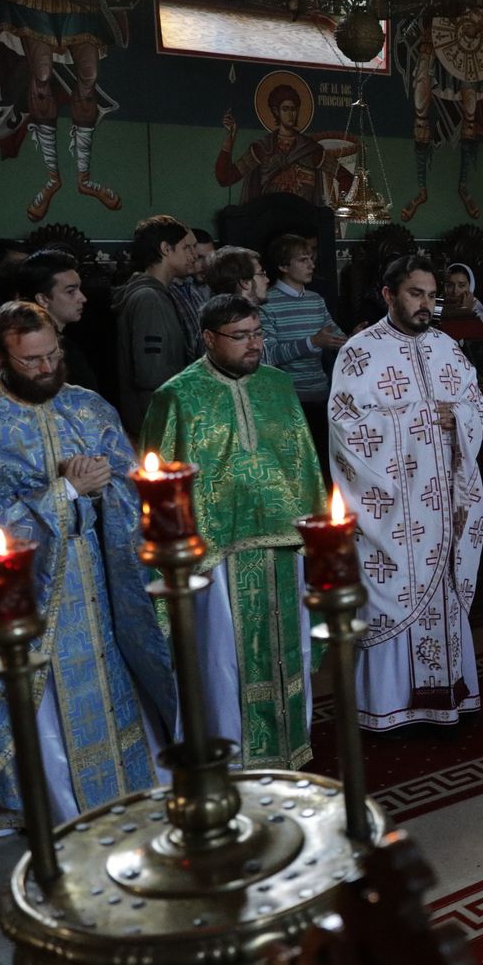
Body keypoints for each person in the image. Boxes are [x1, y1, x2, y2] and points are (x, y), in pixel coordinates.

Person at [0, 302, 176, 834]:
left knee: (118, 675)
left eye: (53, 355)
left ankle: (134, 790)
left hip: (102, 575)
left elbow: (132, 481)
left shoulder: (90, 408)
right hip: (36, 596)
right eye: (31, 362)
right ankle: (62, 810)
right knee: (49, 703)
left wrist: (121, 484)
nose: (47, 369)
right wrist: (65, 490)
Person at [142, 294, 324, 769]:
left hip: (284, 546)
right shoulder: (177, 396)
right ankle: (229, 758)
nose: (254, 345)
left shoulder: (279, 387)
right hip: (215, 557)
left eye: (258, 334)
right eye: (241, 336)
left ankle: (289, 747)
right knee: (222, 663)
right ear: (208, 338)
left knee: (293, 653)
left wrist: (319, 535)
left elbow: (303, 467)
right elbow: (159, 487)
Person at [330, 255, 483, 730]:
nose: (426, 305)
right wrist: (418, 419)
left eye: (431, 295)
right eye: (416, 294)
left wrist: (456, 417)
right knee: (392, 591)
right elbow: (345, 426)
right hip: (393, 508)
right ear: (389, 294)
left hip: (445, 501)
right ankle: (388, 707)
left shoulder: (446, 346)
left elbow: (473, 402)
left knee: (444, 593)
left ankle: (449, 699)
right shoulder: (360, 352)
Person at [261, 234, 347, 458]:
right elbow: (268, 354)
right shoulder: (267, 303)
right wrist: (312, 342)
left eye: (311, 258)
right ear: (283, 266)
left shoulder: (315, 299)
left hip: (322, 396)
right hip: (288, 400)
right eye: (302, 260)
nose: (311, 265)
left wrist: (353, 340)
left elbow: (334, 335)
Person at [113, 215, 201, 434]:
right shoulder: (148, 298)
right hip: (153, 419)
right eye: (186, 247)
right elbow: (151, 372)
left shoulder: (159, 293)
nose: (194, 254)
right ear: (165, 249)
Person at [13, 249, 102, 395]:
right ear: (43, 299)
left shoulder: (67, 345)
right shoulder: (51, 352)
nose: (83, 298)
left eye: (79, 289)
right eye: (70, 291)